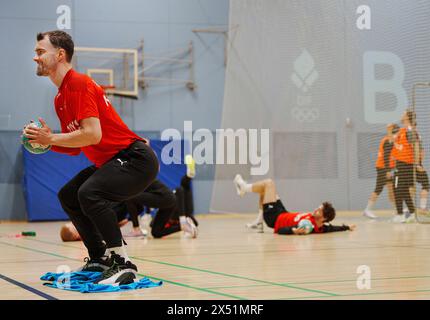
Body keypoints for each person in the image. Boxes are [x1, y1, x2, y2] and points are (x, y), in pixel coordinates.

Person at [28, 30, 159, 285]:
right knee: (69, 194)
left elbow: (92, 134)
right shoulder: (60, 97)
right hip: (114, 161)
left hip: (135, 159)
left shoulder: (80, 83)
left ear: (61, 54)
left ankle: (122, 263)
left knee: (89, 193)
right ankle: (100, 257)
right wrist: (44, 143)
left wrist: (51, 138)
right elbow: (76, 146)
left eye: (40, 52)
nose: (36, 58)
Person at [233, 175, 356, 235]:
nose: (316, 209)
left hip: (274, 219)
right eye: (318, 207)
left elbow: (279, 230)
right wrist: (346, 227)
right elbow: (333, 228)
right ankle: (259, 224)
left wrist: (293, 231)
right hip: (283, 212)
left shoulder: (308, 226)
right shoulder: (322, 226)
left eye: (319, 210)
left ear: (323, 218)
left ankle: (244, 188)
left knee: (269, 183)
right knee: (265, 190)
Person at [363, 123, 399, 219]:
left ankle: (396, 209)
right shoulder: (387, 141)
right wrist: (387, 171)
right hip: (383, 168)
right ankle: (367, 210)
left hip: (388, 168)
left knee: (391, 189)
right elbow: (386, 157)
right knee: (379, 188)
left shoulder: (391, 140)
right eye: (396, 133)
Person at [391, 110, 417, 223]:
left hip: (405, 165)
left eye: (403, 113)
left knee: (397, 188)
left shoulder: (410, 130)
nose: (401, 115)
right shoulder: (402, 130)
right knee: (404, 190)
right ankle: (412, 213)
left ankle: (400, 214)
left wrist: (416, 164)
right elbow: (392, 140)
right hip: (400, 164)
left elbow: (415, 145)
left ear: (407, 117)